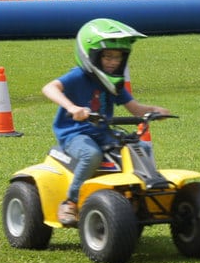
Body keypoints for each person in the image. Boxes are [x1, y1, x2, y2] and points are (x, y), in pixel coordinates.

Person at [42, 18, 170, 226]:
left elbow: (135, 108)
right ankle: (70, 201)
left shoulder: (113, 84)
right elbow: (49, 88)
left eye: (118, 57)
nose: (113, 62)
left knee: (140, 148)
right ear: (91, 54)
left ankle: (135, 199)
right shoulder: (78, 76)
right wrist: (72, 108)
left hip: (102, 133)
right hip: (75, 134)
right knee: (91, 154)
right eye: (107, 56)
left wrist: (154, 111)